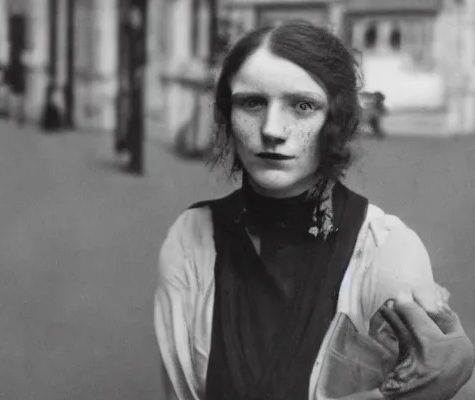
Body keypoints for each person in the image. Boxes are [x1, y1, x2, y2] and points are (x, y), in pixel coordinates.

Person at [154, 20, 473, 400]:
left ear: (335, 120)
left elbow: (426, 375)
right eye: (252, 103)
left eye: (303, 106)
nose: (272, 128)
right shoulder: (190, 240)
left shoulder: (383, 251)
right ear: (227, 113)